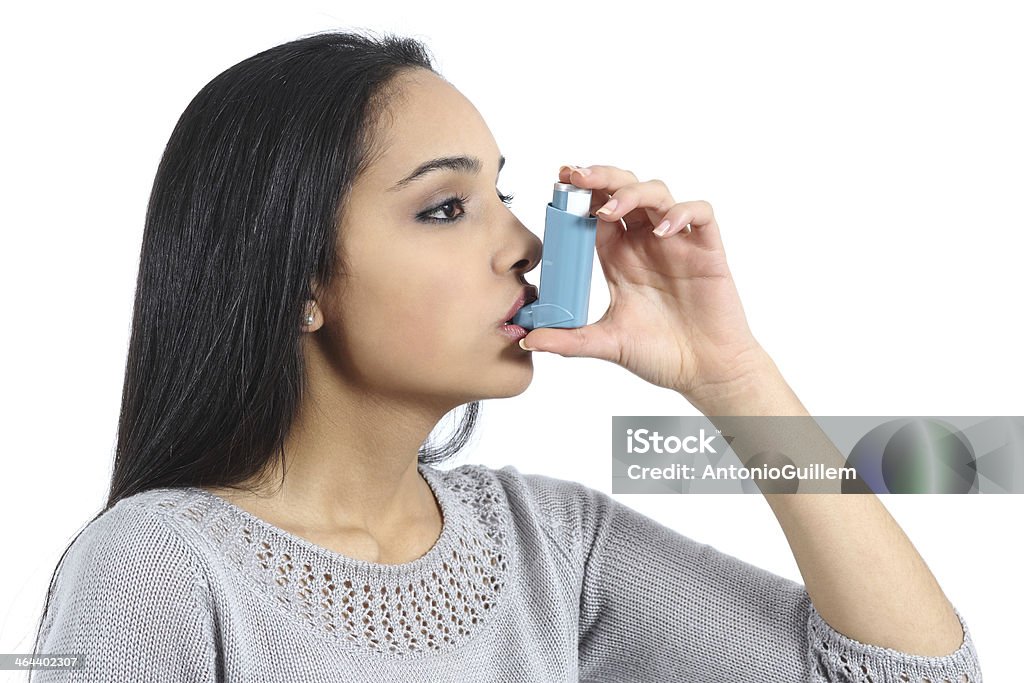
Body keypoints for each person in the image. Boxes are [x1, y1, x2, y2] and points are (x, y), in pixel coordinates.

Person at [29, 29, 983, 682]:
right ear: (298, 283)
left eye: (503, 194)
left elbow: (912, 673)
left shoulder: (548, 545)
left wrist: (729, 372)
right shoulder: (160, 565)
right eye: (446, 207)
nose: (525, 245)